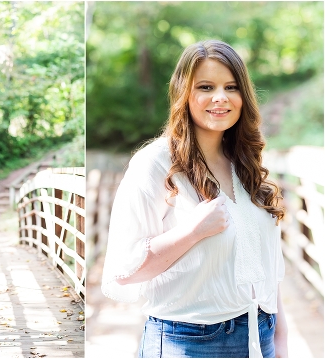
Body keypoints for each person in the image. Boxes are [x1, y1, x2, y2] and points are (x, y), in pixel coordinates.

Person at [101, 40, 288, 358]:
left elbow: (265, 267)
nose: (220, 97)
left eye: (231, 86)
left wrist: (281, 342)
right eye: (206, 86)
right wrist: (192, 231)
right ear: (184, 93)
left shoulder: (245, 163)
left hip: (261, 334)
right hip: (190, 342)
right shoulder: (155, 163)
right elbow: (124, 269)